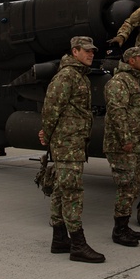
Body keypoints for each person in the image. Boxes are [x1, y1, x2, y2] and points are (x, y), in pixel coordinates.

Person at [39, 35, 105, 263]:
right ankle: (78, 244)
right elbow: (50, 108)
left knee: (60, 190)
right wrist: (46, 135)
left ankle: (59, 240)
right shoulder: (67, 76)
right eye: (86, 50)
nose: (91, 54)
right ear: (74, 51)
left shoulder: (80, 77)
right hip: (67, 144)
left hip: (73, 142)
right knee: (72, 192)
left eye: (93, 51)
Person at [104, 46, 140, 247]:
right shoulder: (119, 82)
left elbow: (133, 110)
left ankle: (124, 225)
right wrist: (125, 139)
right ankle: (119, 230)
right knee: (126, 186)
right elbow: (117, 111)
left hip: (134, 142)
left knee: (135, 185)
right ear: (131, 60)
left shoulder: (136, 81)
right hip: (121, 144)